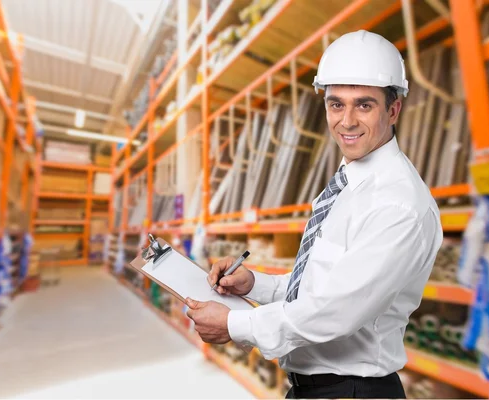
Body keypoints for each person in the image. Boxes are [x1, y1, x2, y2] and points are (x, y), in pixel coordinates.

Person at [185, 29, 443, 399]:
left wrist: (234, 324)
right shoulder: (347, 184)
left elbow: (335, 311)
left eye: (364, 105)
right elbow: (321, 285)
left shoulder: (398, 203)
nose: (347, 121)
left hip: (353, 391)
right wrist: (255, 284)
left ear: (393, 109)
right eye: (336, 104)